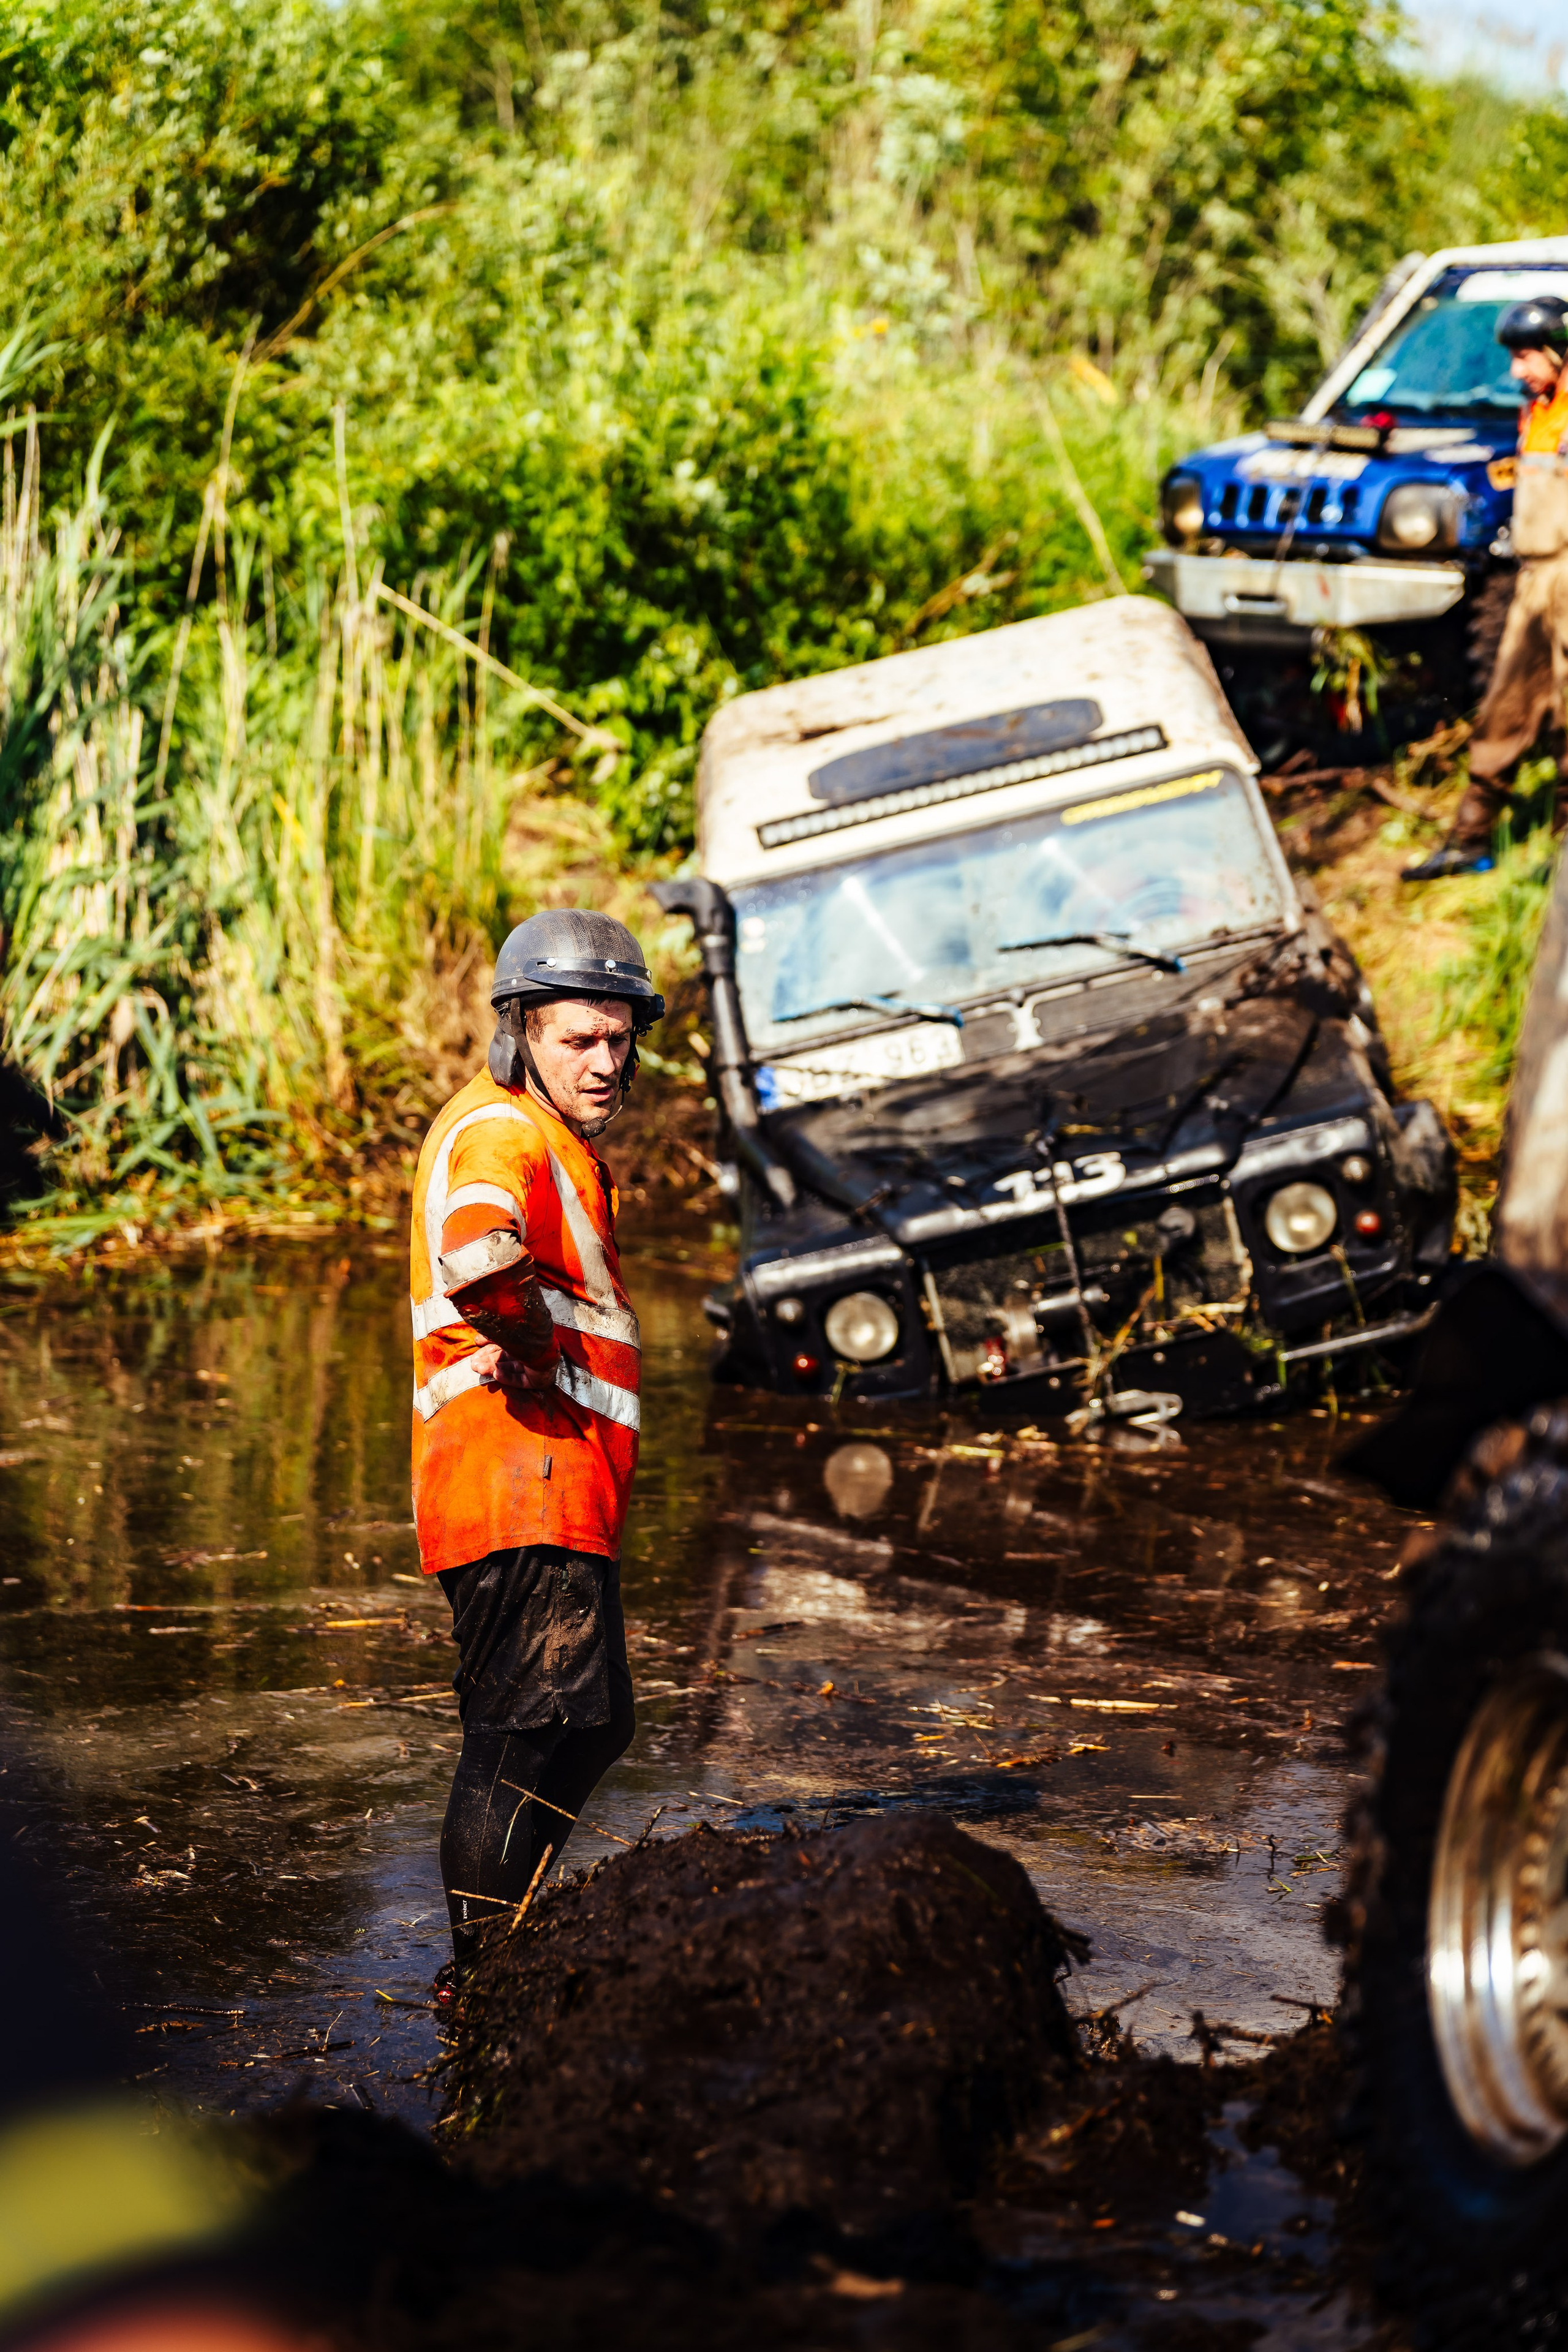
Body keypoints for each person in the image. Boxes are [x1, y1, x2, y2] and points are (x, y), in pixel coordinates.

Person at [409, 908, 665, 1992]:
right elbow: (477, 1249)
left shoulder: (537, 1129)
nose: (606, 1063)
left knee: (593, 1723)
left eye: (619, 1040)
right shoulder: (503, 1131)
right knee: (526, 1738)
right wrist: (526, 1333)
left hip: (549, 1479)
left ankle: (512, 1931)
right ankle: (487, 1981)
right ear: (521, 1031)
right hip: (518, 1477)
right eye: (580, 1041)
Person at [1405, 292, 1568, 881]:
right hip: (1535, 579)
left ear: (1559, 349)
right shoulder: (1538, 409)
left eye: (1526, 356)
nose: (1515, 371)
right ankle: (1470, 839)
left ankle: (1562, 859)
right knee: (1506, 706)